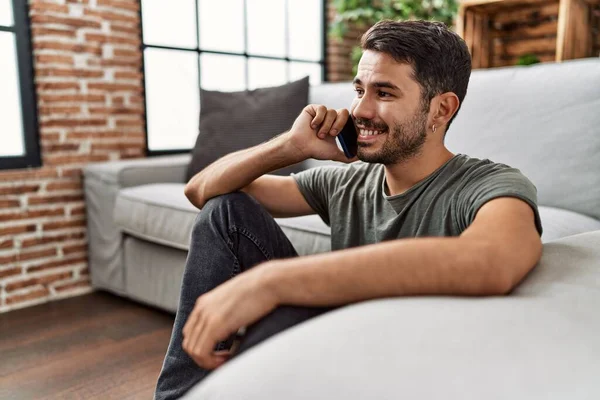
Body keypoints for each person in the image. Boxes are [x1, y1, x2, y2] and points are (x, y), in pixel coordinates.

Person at [154, 19, 543, 399]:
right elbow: (202, 190)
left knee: (285, 314)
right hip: (335, 341)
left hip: (405, 365)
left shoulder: (487, 184)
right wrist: (291, 146)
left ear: (441, 110)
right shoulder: (346, 182)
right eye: (359, 90)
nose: (359, 109)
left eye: (384, 93)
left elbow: (492, 261)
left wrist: (272, 281)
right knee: (226, 211)